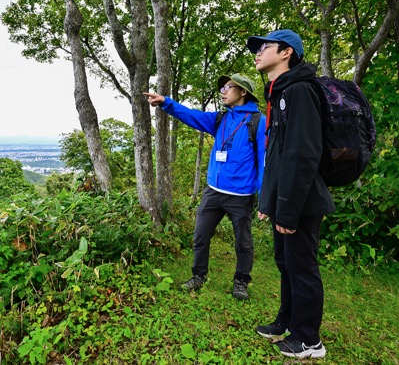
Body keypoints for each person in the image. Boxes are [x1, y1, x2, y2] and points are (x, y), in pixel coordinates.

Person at [246, 29, 335, 358]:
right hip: (287, 201)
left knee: (302, 267)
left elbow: (303, 154)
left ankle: (309, 340)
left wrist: (288, 209)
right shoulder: (279, 92)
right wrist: (269, 201)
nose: (258, 53)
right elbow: (278, 154)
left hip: (301, 202)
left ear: (286, 53)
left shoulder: (298, 90)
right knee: (286, 263)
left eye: (265, 47)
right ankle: (287, 321)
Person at [144, 73, 266, 301]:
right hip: (213, 191)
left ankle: (241, 280)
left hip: (241, 194)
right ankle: (198, 275)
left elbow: (265, 161)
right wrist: (166, 103)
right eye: (222, 88)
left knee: (243, 242)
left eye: (228, 87)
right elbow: (192, 116)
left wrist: (265, 197)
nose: (223, 91)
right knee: (200, 235)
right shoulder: (220, 119)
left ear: (243, 92)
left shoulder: (258, 122)